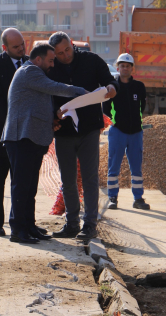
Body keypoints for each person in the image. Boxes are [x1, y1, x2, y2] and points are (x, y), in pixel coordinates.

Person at [1, 43, 87, 244]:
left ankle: (29, 226)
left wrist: (52, 119)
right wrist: (82, 92)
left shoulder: (34, 74)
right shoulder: (30, 71)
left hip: (30, 137)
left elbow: (38, 103)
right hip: (21, 137)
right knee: (21, 186)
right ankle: (18, 229)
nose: (52, 64)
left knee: (30, 187)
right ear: (38, 59)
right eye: (50, 60)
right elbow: (55, 88)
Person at [47, 32, 118, 240]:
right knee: (67, 179)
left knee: (89, 177)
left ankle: (89, 225)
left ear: (72, 45)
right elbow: (45, 97)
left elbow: (109, 81)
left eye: (67, 49)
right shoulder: (51, 69)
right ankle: (71, 224)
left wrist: (112, 88)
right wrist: (54, 114)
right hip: (64, 132)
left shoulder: (91, 60)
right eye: (59, 53)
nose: (65, 55)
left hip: (89, 129)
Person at [0, 28, 32, 237]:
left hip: (25, 135)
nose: (21, 49)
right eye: (15, 47)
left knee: (23, 182)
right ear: (5, 48)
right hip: (0, 134)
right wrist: (16, 120)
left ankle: (22, 222)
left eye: (22, 44)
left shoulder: (31, 65)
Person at [103, 53, 150, 210]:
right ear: (118, 68)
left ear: (132, 68)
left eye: (128, 66)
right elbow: (106, 109)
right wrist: (115, 122)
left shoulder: (139, 87)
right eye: (122, 66)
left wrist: (137, 122)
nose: (125, 68)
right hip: (118, 132)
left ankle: (138, 199)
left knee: (136, 167)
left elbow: (142, 106)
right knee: (114, 166)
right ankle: (112, 198)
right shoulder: (112, 87)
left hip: (136, 132)